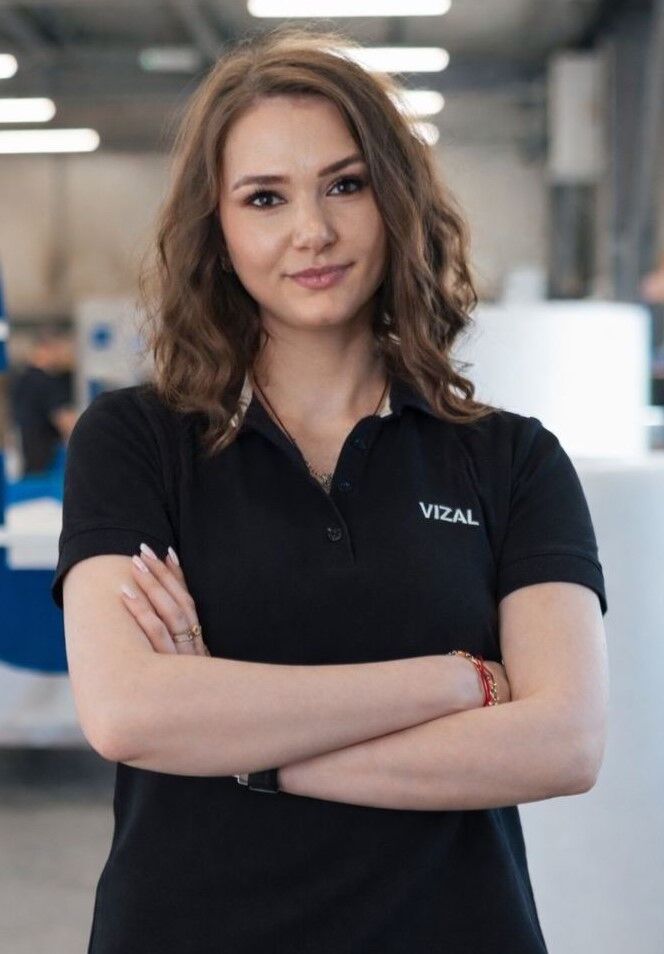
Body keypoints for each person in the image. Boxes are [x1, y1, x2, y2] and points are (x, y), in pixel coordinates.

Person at [50, 25, 609, 954]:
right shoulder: (134, 441)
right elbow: (129, 712)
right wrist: (456, 680)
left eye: (345, 185)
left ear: (395, 198)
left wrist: (245, 746)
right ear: (218, 228)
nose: (311, 230)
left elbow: (563, 743)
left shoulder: (511, 458)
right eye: (265, 197)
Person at [9, 327, 77, 477]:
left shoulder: (22, 380)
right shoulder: (45, 382)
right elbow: (67, 422)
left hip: (27, 462)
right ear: (47, 349)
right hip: (46, 465)